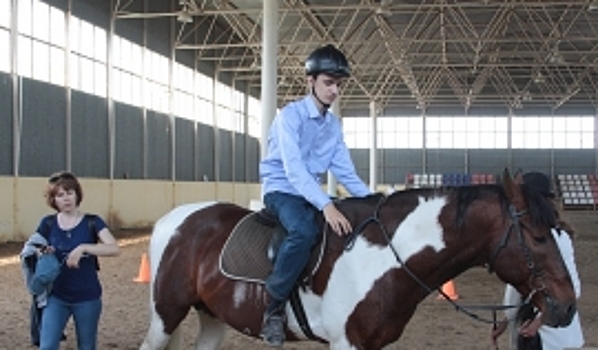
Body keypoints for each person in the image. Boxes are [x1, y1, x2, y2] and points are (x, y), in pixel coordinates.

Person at [259, 44, 371, 346]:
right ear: (310, 81)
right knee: (305, 230)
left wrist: (376, 204)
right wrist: (326, 205)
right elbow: (294, 172)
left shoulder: (333, 126)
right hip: (281, 189)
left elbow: (346, 173)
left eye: (339, 84)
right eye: (328, 82)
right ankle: (273, 306)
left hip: (309, 193)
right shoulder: (289, 118)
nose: (335, 90)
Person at [20, 171, 120, 350]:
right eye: (60, 195)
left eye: (69, 193)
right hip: (56, 297)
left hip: (87, 297)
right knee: (47, 346)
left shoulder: (93, 222)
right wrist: (44, 252)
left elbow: (114, 248)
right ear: (54, 200)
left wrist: (84, 247)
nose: (66, 198)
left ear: (77, 195)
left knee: (87, 346)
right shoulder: (47, 223)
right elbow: (32, 248)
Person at [490, 171, 584, 349]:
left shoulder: (558, 238)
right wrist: (505, 321)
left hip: (555, 337)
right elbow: (517, 285)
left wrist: (539, 323)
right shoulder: (527, 237)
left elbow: (572, 290)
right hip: (532, 335)